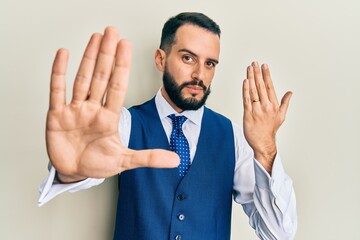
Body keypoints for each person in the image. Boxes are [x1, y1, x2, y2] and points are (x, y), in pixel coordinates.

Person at [39, 12, 297, 240]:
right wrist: (70, 172)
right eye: (188, 58)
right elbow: (89, 159)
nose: (199, 74)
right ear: (161, 59)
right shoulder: (125, 124)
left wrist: (265, 150)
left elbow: (278, 233)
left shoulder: (233, 137)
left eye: (210, 63)